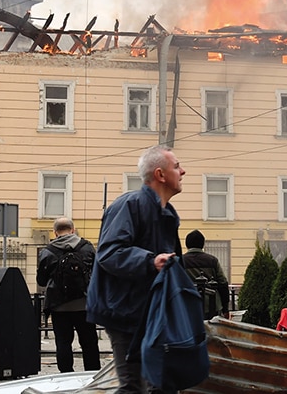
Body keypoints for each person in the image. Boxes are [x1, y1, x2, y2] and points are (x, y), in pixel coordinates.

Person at [86, 145, 185, 394]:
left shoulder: (167, 213)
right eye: (177, 166)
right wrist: (150, 261)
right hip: (125, 313)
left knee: (162, 384)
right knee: (133, 387)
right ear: (160, 175)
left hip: (150, 313)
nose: (183, 171)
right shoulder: (130, 205)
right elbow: (108, 253)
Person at [36, 216, 101, 373]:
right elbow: (98, 273)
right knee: (89, 343)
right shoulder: (86, 247)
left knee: (63, 343)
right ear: (73, 230)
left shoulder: (48, 252)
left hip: (59, 307)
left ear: (55, 232)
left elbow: (42, 281)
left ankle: (66, 376)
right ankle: (92, 376)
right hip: (84, 305)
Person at [180, 229, 231, 320]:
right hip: (212, 306)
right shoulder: (212, 260)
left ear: (187, 244)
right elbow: (223, 283)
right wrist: (225, 308)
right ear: (203, 244)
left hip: (187, 306)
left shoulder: (180, 261)